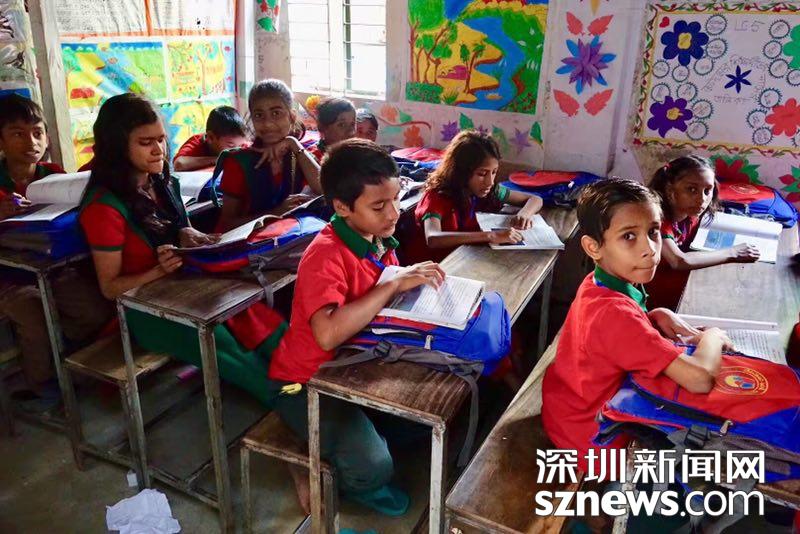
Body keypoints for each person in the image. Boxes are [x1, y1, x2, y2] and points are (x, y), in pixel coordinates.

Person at [267, 138, 444, 516]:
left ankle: (329, 442)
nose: (394, 212)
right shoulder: (325, 254)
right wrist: (392, 286)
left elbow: (384, 290)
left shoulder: (377, 238)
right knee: (374, 467)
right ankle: (304, 455)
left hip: (355, 368)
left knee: (422, 424)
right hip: (303, 383)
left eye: (396, 198)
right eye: (379, 206)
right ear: (342, 207)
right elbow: (327, 334)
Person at [78, 93, 285, 407]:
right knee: (230, 350)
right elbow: (110, 288)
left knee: (259, 319)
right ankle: (297, 403)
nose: (159, 150)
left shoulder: (163, 183)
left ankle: (312, 381)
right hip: (147, 310)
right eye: (146, 142)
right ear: (117, 147)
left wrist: (188, 234)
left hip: (187, 286)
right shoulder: (104, 206)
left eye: (161, 139)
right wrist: (158, 270)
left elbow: (180, 229)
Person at [542, 177, 731, 473]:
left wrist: (656, 314)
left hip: (567, 410)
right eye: (629, 236)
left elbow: (616, 334)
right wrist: (713, 337)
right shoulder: (615, 314)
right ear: (593, 247)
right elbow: (700, 378)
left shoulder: (599, 282)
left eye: (653, 232)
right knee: (715, 450)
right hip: (595, 439)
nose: (650, 250)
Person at [0, 94, 112, 406]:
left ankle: (67, 363)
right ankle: (42, 386)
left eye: (37, 132)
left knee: (95, 310)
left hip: (54, 269)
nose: (31, 142)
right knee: (35, 319)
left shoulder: (53, 176)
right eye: (18, 134)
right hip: (8, 279)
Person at [407, 130, 543, 263]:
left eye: (494, 172)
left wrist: (524, 214)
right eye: (482, 174)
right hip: (435, 267)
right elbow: (433, 238)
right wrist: (491, 236)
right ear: (461, 172)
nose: (490, 182)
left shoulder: (489, 190)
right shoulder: (436, 197)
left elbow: (535, 199)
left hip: (466, 259)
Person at [646, 155, 759, 309]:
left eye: (707, 190)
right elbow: (679, 261)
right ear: (669, 189)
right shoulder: (657, 221)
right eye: (692, 189)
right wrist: (733, 252)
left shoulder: (690, 215)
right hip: (657, 300)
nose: (702, 199)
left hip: (684, 286)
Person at [215, 79, 321, 232]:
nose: (267, 124)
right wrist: (276, 213)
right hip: (249, 242)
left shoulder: (300, 154)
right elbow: (227, 224)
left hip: (291, 237)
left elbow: (323, 190)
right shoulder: (239, 162)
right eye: (259, 115)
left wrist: (292, 143)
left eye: (276, 113)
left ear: (291, 116)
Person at [172, 105, 249, 171]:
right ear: (211, 137)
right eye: (231, 146)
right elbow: (179, 164)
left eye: (240, 146)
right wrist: (218, 159)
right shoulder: (197, 142)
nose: (236, 150)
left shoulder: (242, 146)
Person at [307, 97, 356, 161]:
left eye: (352, 124)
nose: (351, 132)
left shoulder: (355, 153)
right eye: (342, 125)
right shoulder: (311, 159)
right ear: (323, 127)